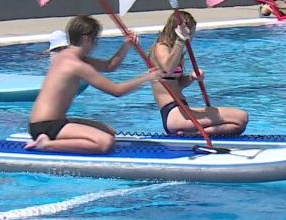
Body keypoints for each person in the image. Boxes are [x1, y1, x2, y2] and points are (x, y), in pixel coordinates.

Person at [26, 15, 161, 154]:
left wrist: (126, 45)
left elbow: (110, 66)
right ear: (86, 39)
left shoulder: (64, 56)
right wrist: (147, 77)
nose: (96, 44)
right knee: (105, 142)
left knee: (109, 131)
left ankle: (51, 139)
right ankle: (46, 144)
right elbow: (116, 91)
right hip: (46, 126)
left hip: (48, 122)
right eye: (95, 39)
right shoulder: (77, 65)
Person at [149, 11, 248, 135]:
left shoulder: (176, 52)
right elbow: (168, 68)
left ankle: (192, 133)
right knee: (241, 117)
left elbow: (176, 84)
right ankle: (192, 133)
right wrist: (180, 40)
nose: (191, 38)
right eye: (191, 34)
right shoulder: (160, 47)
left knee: (237, 125)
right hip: (174, 113)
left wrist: (191, 77)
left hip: (182, 110)